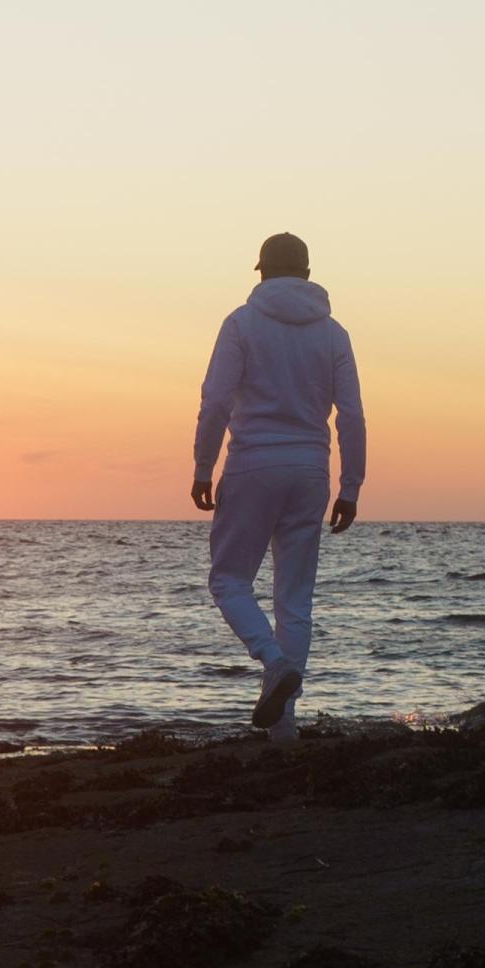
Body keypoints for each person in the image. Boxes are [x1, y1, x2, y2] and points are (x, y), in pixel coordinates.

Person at [190, 232, 366, 739]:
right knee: (294, 598)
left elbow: (217, 401)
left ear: (261, 273)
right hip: (311, 469)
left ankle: (272, 662)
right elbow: (351, 415)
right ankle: (284, 732)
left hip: (252, 464)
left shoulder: (241, 323)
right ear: (307, 275)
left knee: (228, 581)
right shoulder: (334, 334)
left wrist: (204, 467)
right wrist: (350, 484)